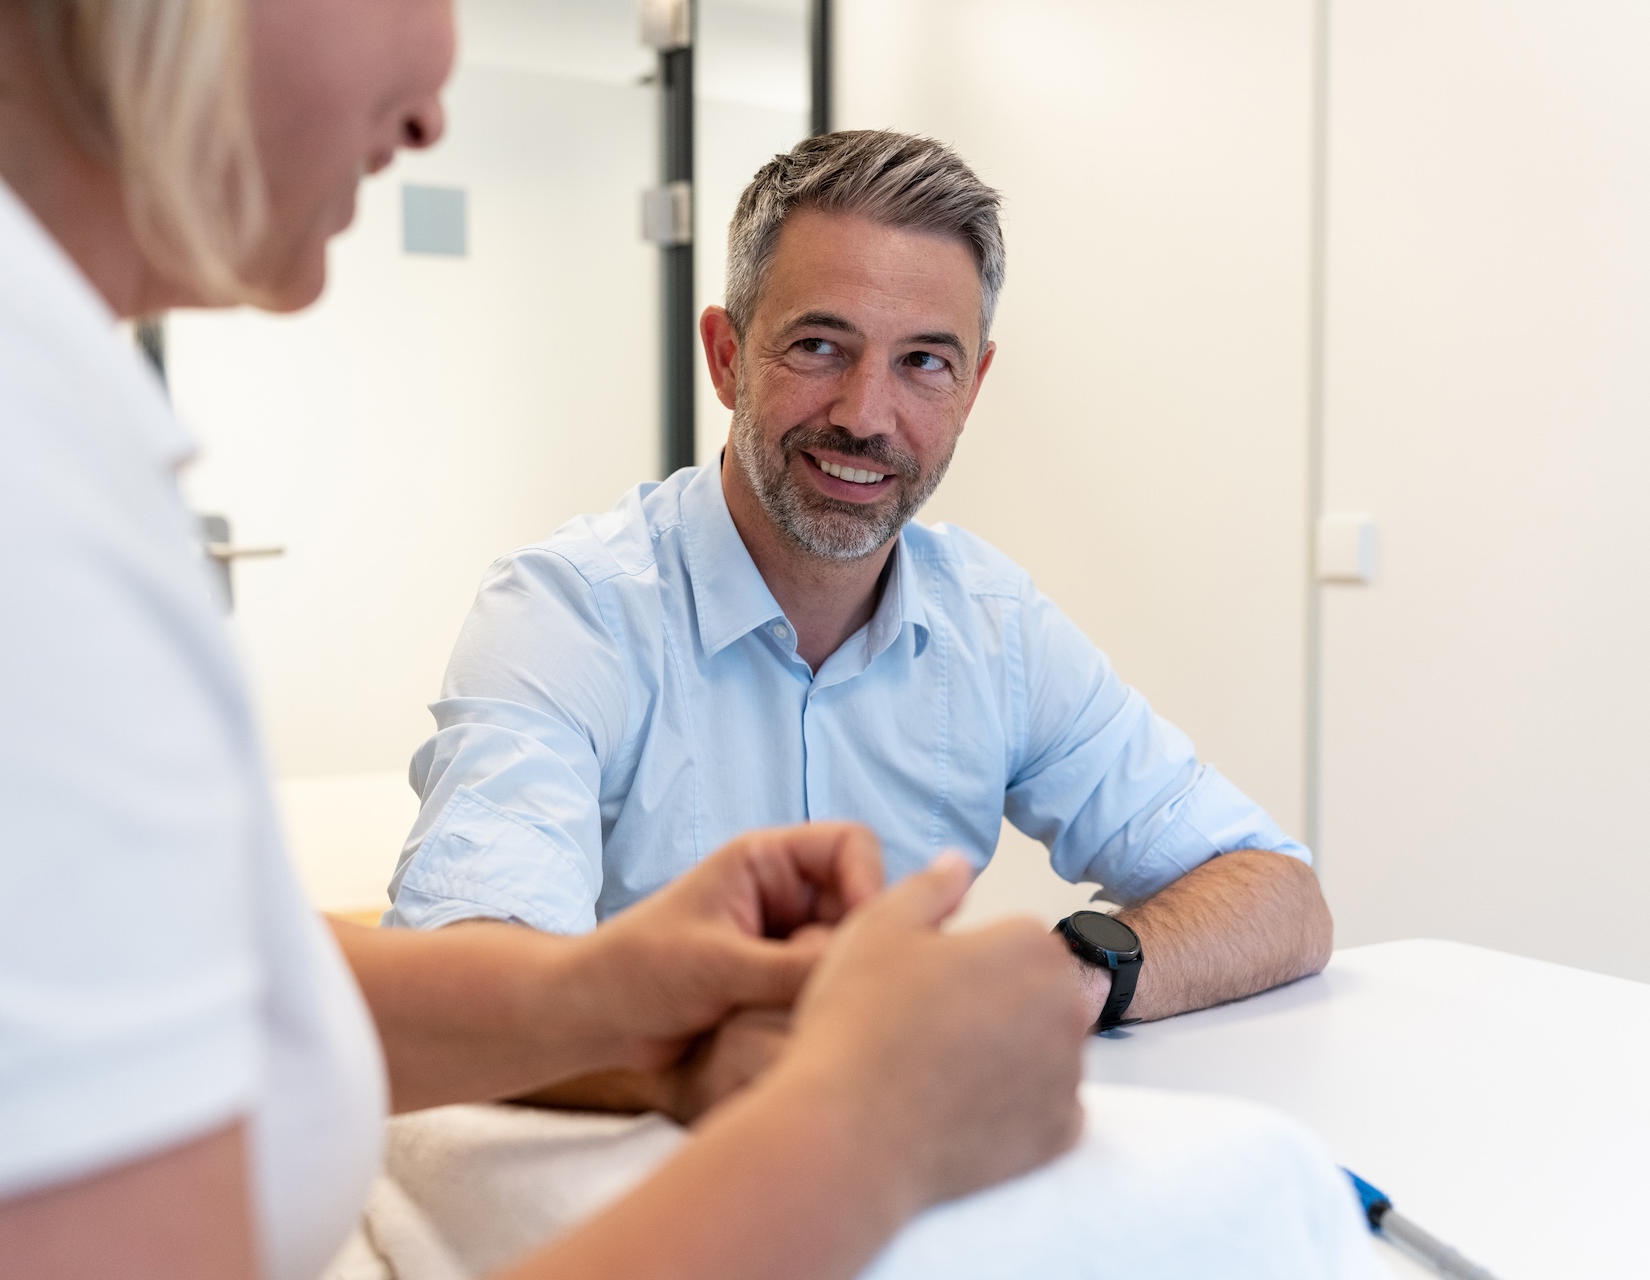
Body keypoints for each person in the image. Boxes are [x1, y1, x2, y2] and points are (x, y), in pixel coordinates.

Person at [0, 1, 1087, 1278]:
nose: (439, 92)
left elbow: (151, 975)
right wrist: (869, 1132)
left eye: (925, 360)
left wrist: (617, 1009)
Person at [387, 131, 1334, 1062]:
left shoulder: (994, 629)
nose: (866, 416)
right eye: (819, 345)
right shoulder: (569, 615)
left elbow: (1278, 896)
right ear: (725, 356)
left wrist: (1064, 979)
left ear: (973, 387)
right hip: (637, 1172)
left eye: (925, 361)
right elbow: (468, 984)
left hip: (905, 1162)